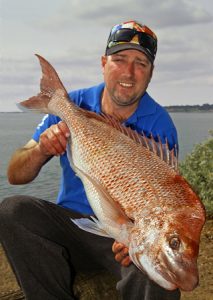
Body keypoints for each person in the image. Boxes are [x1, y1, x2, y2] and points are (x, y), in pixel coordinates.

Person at [0, 20, 180, 300]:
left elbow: (164, 206)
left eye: (140, 63)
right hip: (69, 226)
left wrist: (139, 238)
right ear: (103, 63)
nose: (129, 73)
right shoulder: (71, 105)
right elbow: (15, 175)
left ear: (151, 72)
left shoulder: (160, 125)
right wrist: (42, 149)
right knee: (13, 210)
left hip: (118, 239)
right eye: (119, 59)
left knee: (159, 275)